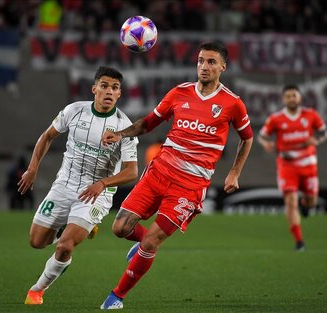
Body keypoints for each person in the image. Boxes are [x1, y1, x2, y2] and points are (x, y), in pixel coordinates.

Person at [99, 41, 253, 309]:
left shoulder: (232, 104)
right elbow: (148, 123)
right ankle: (144, 246)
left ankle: (117, 297)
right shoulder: (179, 93)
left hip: (190, 185)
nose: (204, 66)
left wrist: (234, 173)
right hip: (158, 172)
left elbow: (247, 139)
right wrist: (120, 134)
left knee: (151, 241)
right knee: (120, 228)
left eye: (211, 62)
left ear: (223, 67)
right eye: (201, 61)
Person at [18, 66, 139, 305]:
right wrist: (33, 168)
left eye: (114, 88)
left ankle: (37, 290)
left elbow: (131, 171)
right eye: (104, 86)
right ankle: (72, 228)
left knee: (65, 247)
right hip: (65, 184)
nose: (109, 91)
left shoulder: (125, 127)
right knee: (37, 242)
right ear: (94, 88)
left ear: (119, 94)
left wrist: (102, 184)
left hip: (97, 194)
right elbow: (47, 136)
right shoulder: (74, 111)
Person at [258, 84, 327, 251]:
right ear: (284, 99)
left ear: (300, 97)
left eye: (294, 95)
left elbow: (325, 133)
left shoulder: (310, 115)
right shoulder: (276, 119)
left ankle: (306, 205)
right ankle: (299, 241)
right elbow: (262, 136)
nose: (292, 98)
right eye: (288, 96)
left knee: (312, 201)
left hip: (308, 164)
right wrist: (266, 144)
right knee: (290, 202)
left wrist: (316, 141)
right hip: (286, 164)